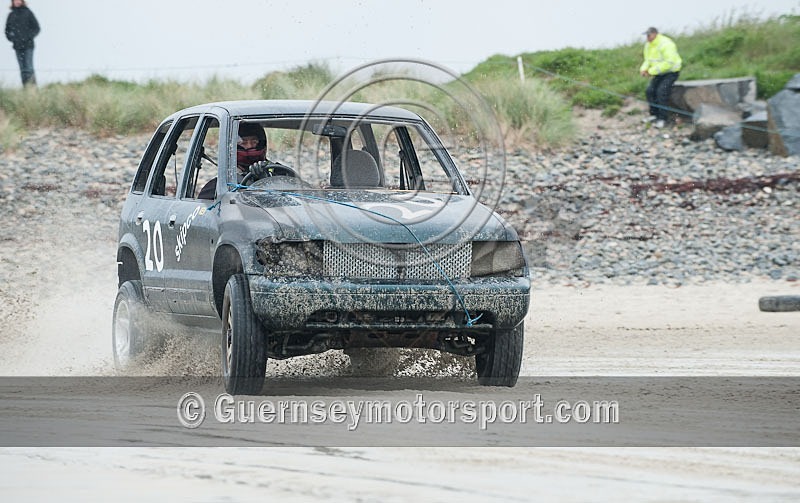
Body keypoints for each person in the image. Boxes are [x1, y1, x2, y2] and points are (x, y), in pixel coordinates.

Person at [197, 122, 286, 199]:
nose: (250, 146)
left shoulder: (282, 173)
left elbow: (296, 201)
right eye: (244, 143)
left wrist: (268, 181)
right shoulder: (218, 187)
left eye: (254, 141)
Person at [639, 27, 682, 128]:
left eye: (649, 35)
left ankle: (663, 118)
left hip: (671, 72)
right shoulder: (648, 45)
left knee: (661, 92)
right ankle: (654, 115)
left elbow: (669, 62)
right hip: (658, 73)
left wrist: (651, 71)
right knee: (650, 91)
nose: (647, 38)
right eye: (646, 35)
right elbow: (648, 60)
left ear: (655, 34)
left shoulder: (666, 44)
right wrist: (643, 69)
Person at [5, 0, 39, 86]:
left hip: (28, 46)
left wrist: (27, 37)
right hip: (17, 46)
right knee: (22, 69)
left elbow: (36, 28)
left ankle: (32, 88)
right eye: (14, 0)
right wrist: (12, 38)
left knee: (28, 68)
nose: (16, 1)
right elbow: (7, 30)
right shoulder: (11, 15)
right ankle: (26, 88)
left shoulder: (28, 13)